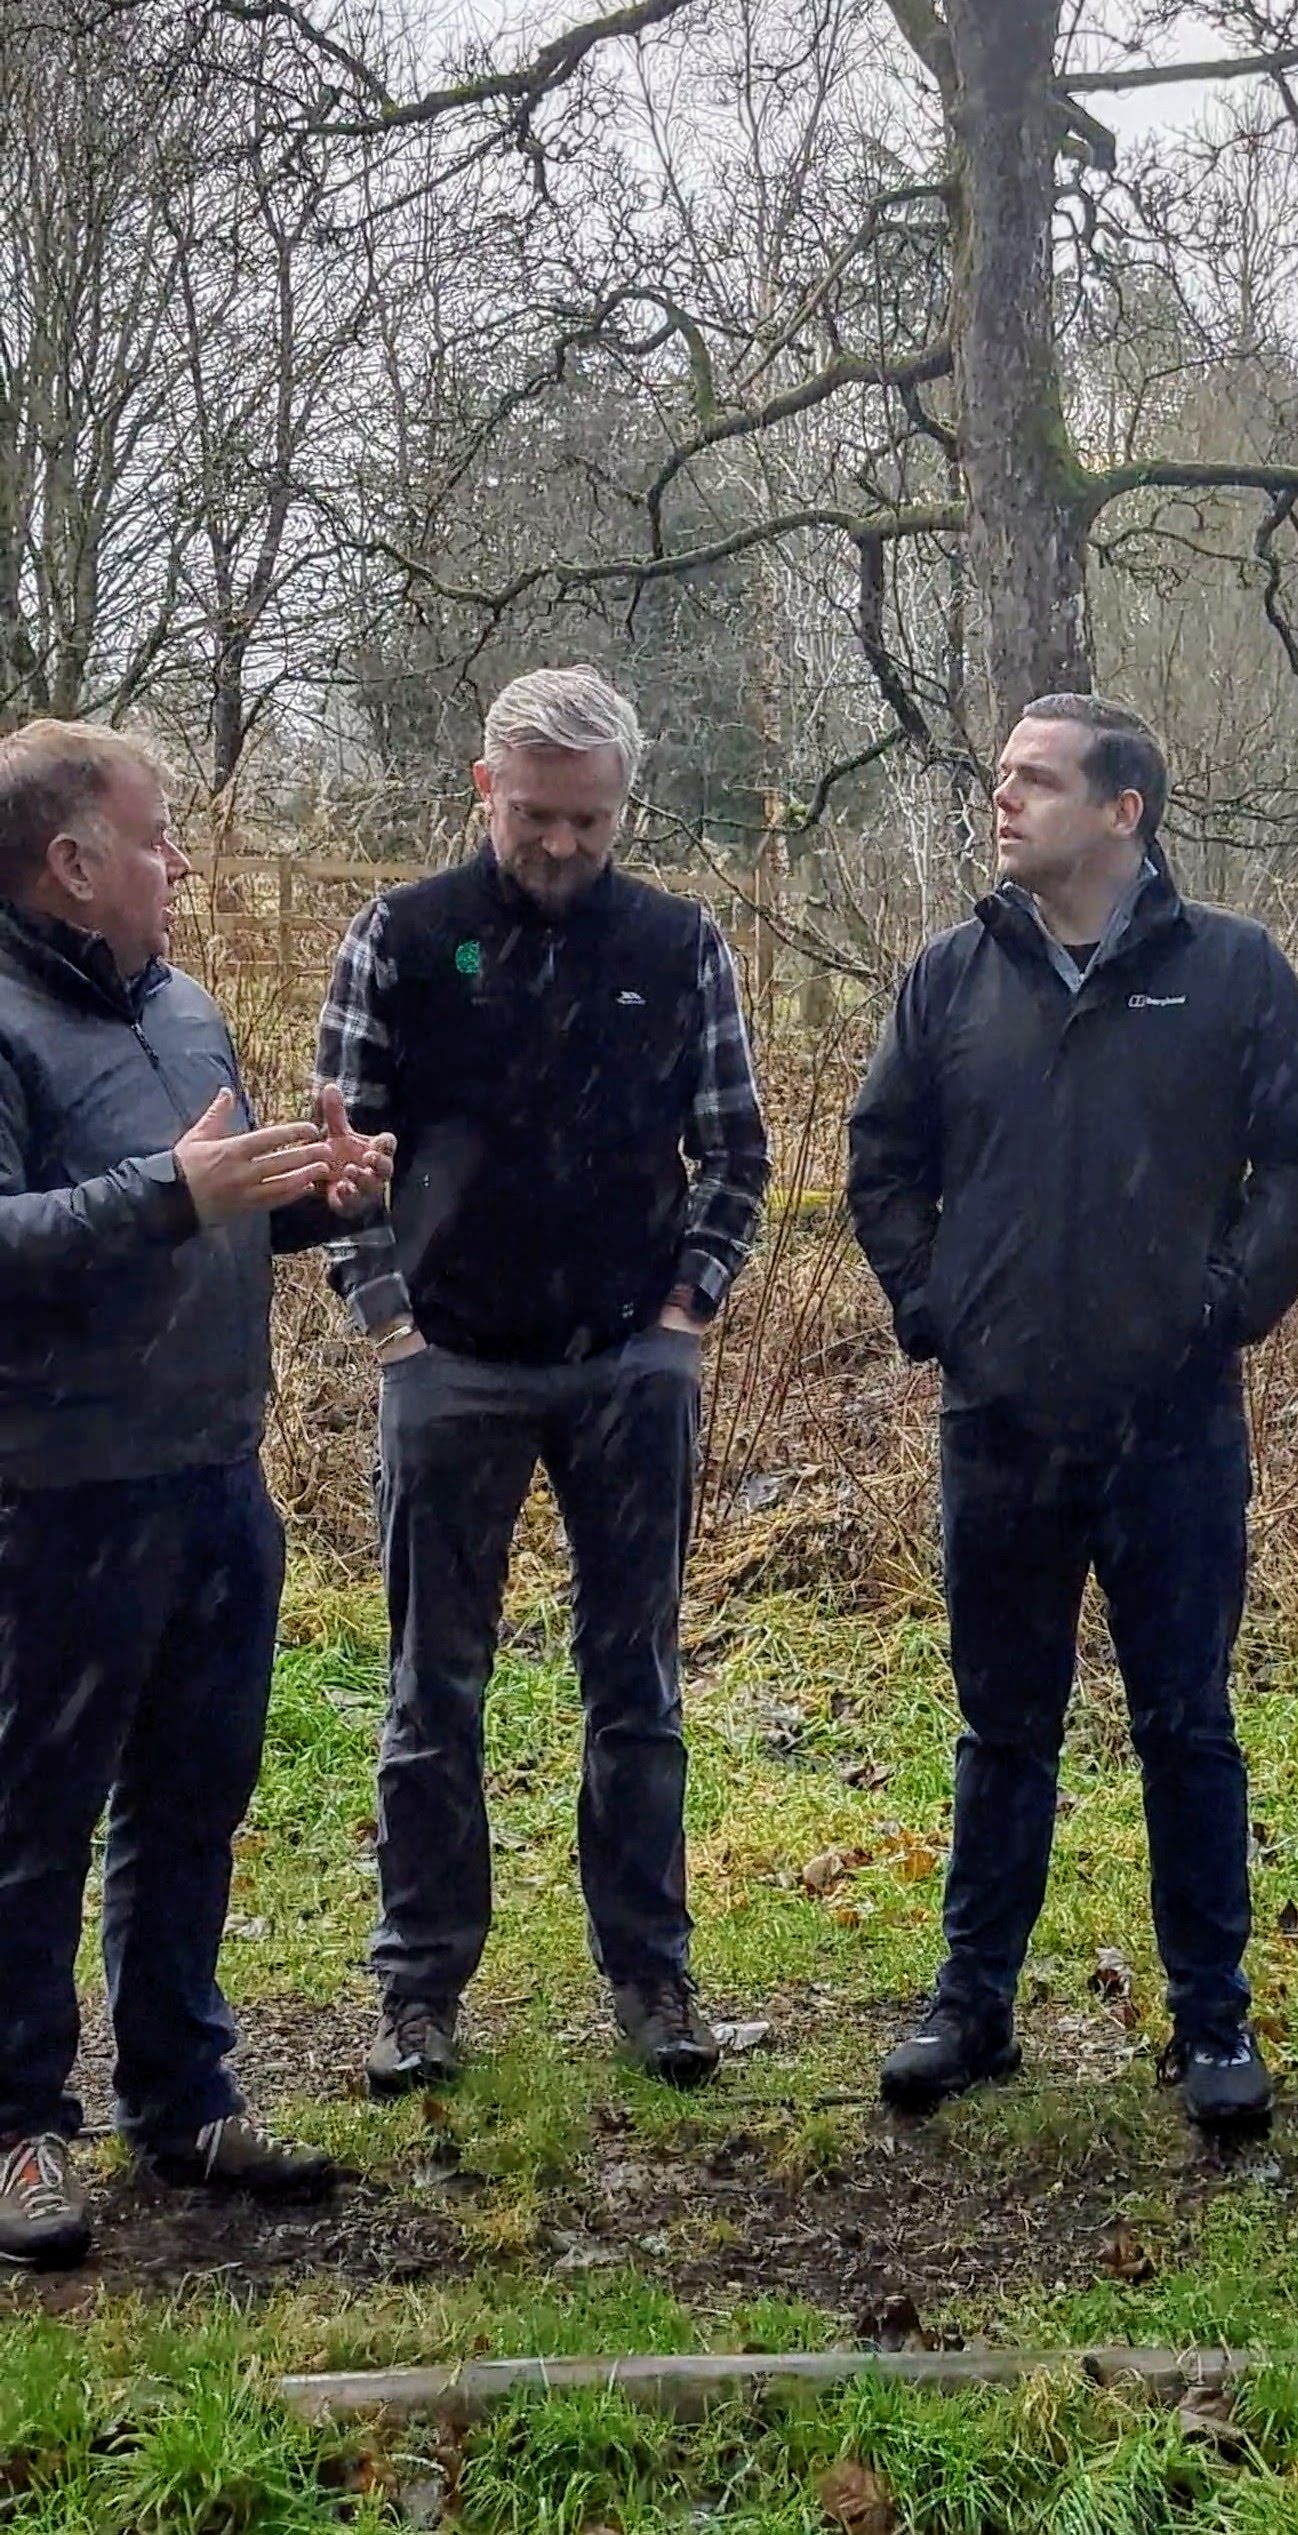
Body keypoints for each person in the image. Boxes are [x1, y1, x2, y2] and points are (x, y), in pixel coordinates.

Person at [847, 693, 1298, 2128]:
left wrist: (1220, 1304)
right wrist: (934, 1305)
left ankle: (1212, 2027)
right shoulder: (951, 979)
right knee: (1001, 1726)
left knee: (1185, 1726)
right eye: (1001, 777)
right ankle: (973, 2007)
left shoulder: (1234, 975)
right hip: (998, 1423)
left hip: (1175, 1425)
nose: (1002, 801)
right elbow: (881, 1160)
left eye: (1036, 780)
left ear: (1124, 810)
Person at [318, 665, 768, 2099]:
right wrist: (390, 1327)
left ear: (624, 805)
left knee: (633, 1687)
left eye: (589, 818)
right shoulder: (403, 937)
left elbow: (739, 1151)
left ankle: (650, 1974)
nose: (562, 845)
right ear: (482, 788)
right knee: (429, 1693)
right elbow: (343, 1156)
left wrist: (687, 1314)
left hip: (627, 1368)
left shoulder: (679, 944)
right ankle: (419, 1990)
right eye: (536, 814)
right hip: (449, 1367)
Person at [0, 720, 394, 2272]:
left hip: (215, 1478)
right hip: (57, 1497)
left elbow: (202, 1224)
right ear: (74, 863)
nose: (181, 864)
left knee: (192, 1805)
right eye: (157, 838)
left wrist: (306, 1199)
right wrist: (178, 1189)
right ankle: (23, 2123)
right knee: (31, 1823)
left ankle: (184, 2092)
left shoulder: (185, 1007)